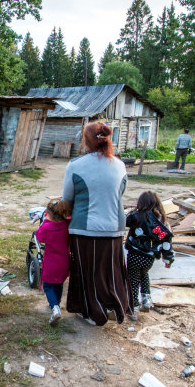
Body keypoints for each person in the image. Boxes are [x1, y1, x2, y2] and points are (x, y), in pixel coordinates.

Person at [62, 121, 131, 326]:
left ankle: (93, 312)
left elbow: (67, 198)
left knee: (87, 272)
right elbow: (120, 192)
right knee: (111, 271)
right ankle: (114, 305)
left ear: (86, 141)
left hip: (86, 228)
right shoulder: (119, 165)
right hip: (114, 228)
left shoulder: (75, 165)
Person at [125, 191, 175, 321]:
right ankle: (146, 300)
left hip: (134, 255)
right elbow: (165, 240)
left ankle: (133, 307)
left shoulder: (136, 216)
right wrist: (168, 258)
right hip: (149, 258)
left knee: (133, 280)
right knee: (144, 275)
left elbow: (123, 221)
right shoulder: (159, 222)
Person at [34, 198, 72, 326]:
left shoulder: (47, 227)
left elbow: (39, 237)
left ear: (49, 214)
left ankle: (54, 307)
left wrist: (45, 221)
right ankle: (57, 303)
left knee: (48, 286)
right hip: (65, 261)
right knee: (59, 283)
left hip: (51, 262)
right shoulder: (67, 224)